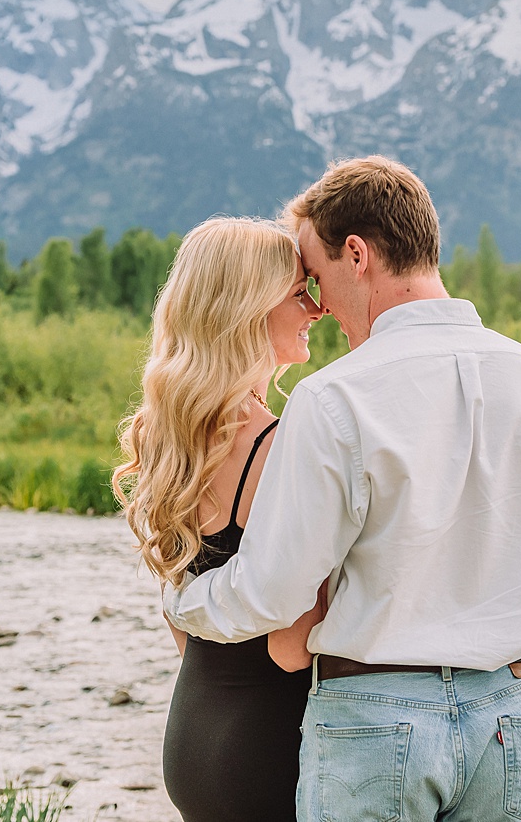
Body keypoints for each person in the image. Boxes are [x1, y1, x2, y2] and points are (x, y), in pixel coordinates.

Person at [164, 156, 521, 822]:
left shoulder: (334, 399)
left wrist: (186, 598)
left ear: (357, 254)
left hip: (378, 719)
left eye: (315, 276)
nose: (317, 303)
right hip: (515, 716)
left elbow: (273, 593)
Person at [113, 216, 326, 822]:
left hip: (194, 734)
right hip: (267, 749)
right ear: (248, 308)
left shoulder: (169, 433)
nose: (317, 310)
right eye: (297, 294)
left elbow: (180, 621)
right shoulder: (274, 446)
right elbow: (290, 646)